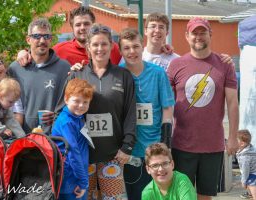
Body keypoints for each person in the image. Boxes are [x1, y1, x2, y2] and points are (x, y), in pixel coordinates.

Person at [167, 17, 239, 200]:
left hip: (212, 145)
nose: (198, 37)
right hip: (182, 145)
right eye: (194, 33)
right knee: (182, 195)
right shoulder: (176, 65)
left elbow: (232, 102)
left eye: (202, 32)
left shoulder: (225, 64)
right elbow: (166, 105)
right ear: (186, 36)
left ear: (210, 34)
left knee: (205, 196)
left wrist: (232, 137)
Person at [65, 23, 136, 199]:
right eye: (95, 44)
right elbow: (66, 112)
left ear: (111, 45)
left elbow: (130, 113)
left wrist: (127, 146)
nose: (100, 48)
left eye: (104, 44)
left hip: (113, 154)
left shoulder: (123, 75)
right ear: (88, 47)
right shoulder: (77, 74)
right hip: (83, 156)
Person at [118, 28, 175, 200]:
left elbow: (167, 109)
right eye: (126, 48)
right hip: (129, 152)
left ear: (142, 46)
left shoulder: (157, 73)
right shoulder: (117, 74)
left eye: (135, 46)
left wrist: (165, 145)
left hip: (154, 149)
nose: (132, 52)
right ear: (120, 51)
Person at [8, 17, 70, 133]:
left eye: (46, 36)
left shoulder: (64, 68)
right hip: (21, 137)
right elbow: (2, 99)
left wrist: (58, 115)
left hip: (54, 137)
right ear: (28, 39)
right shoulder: (15, 68)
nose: (42, 40)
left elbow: (71, 101)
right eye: (37, 36)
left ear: (51, 39)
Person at [17, 6, 121, 66]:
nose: (82, 28)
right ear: (72, 27)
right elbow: (40, 52)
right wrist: (24, 53)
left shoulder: (112, 48)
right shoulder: (60, 50)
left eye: (86, 24)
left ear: (93, 24)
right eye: (78, 25)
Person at [52, 78, 94, 200]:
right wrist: (83, 182)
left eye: (85, 102)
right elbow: (73, 152)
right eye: (76, 101)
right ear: (66, 99)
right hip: (70, 179)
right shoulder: (67, 122)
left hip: (75, 176)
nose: (81, 106)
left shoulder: (77, 117)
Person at [236, 129, 256, 200]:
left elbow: (245, 170)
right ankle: (250, 194)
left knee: (251, 185)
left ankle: (253, 195)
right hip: (252, 172)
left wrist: (243, 181)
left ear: (242, 144)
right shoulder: (249, 148)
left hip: (253, 174)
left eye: (235, 141)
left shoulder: (245, 157)